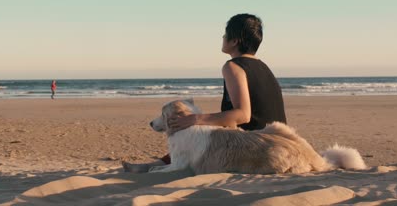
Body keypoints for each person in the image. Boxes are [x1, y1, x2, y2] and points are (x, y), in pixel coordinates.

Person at [123, 13, 287, 173]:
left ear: (235, 41)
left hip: (253, 143)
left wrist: (195, 119)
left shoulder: (233, 66)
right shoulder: (263, 66)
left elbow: (243, 115)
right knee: (200, 137)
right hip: (278, 140)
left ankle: (152, 167)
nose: (222, 38)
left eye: (225, 35)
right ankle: (155, 164)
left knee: (197, 135)